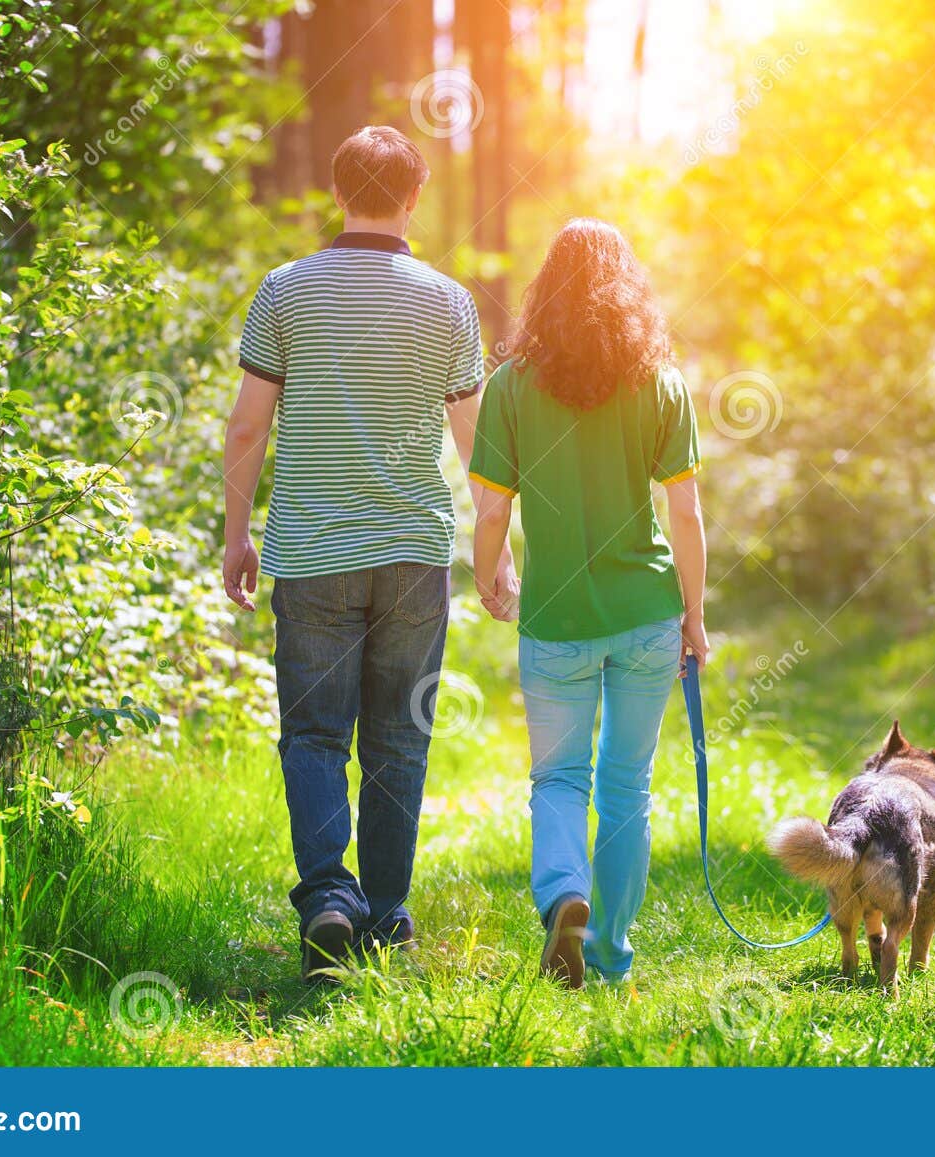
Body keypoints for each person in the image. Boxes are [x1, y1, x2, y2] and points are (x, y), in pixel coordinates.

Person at [221, 126, 518, 982]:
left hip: (311, 553)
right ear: (415, 197)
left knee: (314, 733)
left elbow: (248, 425)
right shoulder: (449, 302)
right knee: (401, 736)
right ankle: (385, 916)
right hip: (413, 557)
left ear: (336, 188)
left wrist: (238, 534)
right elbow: (480, 447)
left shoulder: (285, 290)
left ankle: (327, 901)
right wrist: (497, 551)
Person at [469, 218, 710, 990]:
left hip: (557, 619)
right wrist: (694, 618)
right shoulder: (661, 383)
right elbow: (688, 516)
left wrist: (488, 579)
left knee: (560, 779)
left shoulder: (508, 387)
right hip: (647, 613)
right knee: (626, 787)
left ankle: (563, 894)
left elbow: (491, 513)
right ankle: (607, 951)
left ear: (546, 293)